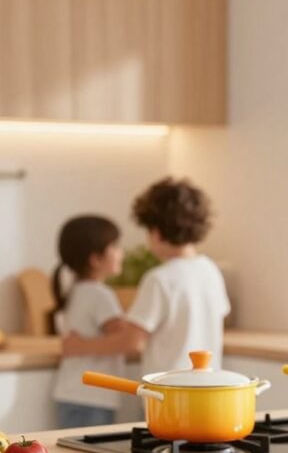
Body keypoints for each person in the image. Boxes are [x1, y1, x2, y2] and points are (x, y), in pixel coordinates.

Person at [125, 177, 230, 372]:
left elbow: (131, 342)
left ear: (156, 232)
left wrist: (81, 344)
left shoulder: (159, 279)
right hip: (208, 384)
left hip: (168, 388)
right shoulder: (211, 270)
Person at [52, 215, 145, 428]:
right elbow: (125, 340)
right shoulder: (100, 294)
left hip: (73, 394)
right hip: (92, 398)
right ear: (95, 259)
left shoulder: (76, 290)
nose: (121, 253)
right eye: (115, 246)